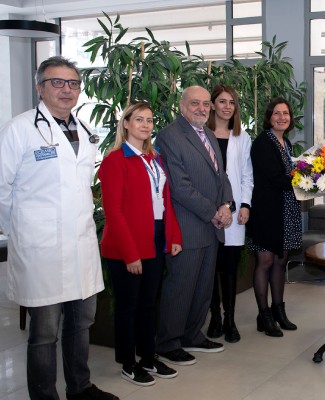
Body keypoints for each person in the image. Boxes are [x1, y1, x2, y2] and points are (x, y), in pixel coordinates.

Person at [0, 56, 118, 400]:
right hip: (40, 248)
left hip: (80, 243)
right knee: (44, 332)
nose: (67, 89)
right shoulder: (20, 129)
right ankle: (44, 395)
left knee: (81, 323)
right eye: (57, 82)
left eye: (73, 83)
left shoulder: (85, 131)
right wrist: (20, 230)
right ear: (40, 88)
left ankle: (80, 388)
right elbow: (2, 188)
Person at [98, 102, 183, 385]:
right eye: (139, 120)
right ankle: (128, 362)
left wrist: (174, 236)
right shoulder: (115, 160)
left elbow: (165, 202)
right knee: (128, 306)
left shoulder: (154, 159)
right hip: (127, 244)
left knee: (149, 304)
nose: (146, 125)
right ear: (126, 123)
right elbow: (114, 212)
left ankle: (148, 356)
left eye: (149, 120)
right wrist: (130, 254)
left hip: (154, 239)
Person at [154, 86, 234, 365]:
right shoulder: (169, 136)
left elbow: (221, 176)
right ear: (182, 106)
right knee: (181, 287)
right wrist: (213, 212)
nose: (201, 108)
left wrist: (226, 205)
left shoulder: (208, 134)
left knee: (202, 288)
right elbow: (179, 186)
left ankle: (191, 334)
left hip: (212, 226)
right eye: (194, 103)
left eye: (205, 104)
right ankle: (168, 342)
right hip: (187, 226)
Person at [246, 97, 301, 338]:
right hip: (266, 211)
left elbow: (289, 174)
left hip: (285, 209)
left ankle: (279, 311)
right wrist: (308, 180)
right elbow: (276, 178)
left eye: (285, 113)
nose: (281, 117)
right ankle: (264, 315)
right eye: (277, 113)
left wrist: (309, 177)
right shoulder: (262, 143)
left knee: (280, 260)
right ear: (269, 117)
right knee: (266, 262)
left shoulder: (286, 143)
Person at [205, 84, 254, 343]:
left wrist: (245, 204)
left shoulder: (242, 137)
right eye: (222, 101)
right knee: (210, 268)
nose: (227, 106)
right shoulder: (202, 134)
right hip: (207, 210)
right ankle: (214, 317)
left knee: (230, 267)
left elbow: (247, 175)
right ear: (213, 105)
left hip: (234, 213)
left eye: (232, 102)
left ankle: (230, 319)